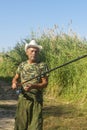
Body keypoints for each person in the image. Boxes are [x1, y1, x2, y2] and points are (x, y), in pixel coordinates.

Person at [12, 40, 49, 130]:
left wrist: (33, 86)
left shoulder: (42, 66)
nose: (34, 53)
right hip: (23, 99)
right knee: (20, 126)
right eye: (32, 51)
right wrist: (14, 83)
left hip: (36, 100)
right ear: (27, 52)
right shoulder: (22, 65)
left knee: (35, 126)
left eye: (36, 51)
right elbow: (15, 78)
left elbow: (45, 83)